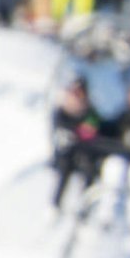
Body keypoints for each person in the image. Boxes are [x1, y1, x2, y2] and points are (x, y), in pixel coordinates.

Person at [50, 76, 103, 208]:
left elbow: (90, 132)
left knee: (88, 167)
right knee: (64, 167)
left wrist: (81, 134)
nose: (77, 96)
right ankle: (56, 205)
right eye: (75, 92)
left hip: (84, 154)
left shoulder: (90, 113)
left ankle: (85, 204)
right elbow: (61, 132)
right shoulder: (62, 112)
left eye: (80, 92)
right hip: (65, 155)